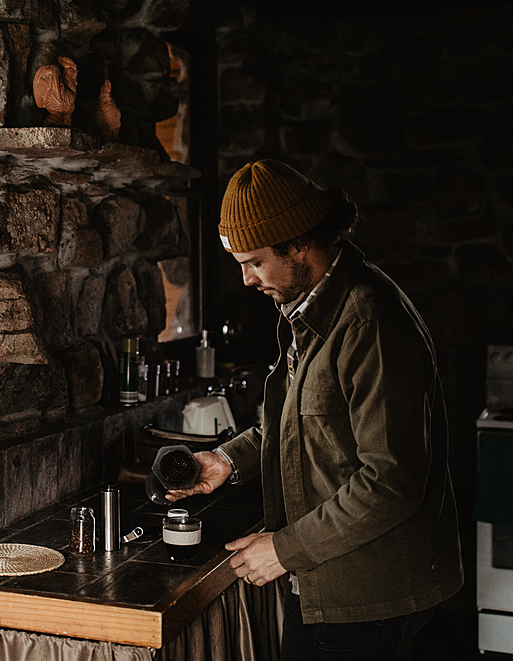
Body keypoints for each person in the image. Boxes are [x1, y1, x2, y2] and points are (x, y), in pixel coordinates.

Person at [167, 159, 463, 660]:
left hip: (369, 597)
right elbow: (309, 427)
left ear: (300, 242)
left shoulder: (369, 324)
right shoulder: (308, 307)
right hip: (329, 585)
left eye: (255, 261)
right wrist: (228, 460)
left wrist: (283, 550)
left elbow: (392, 482)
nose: (245, 280)